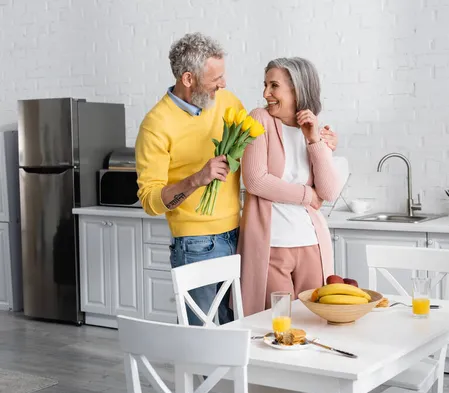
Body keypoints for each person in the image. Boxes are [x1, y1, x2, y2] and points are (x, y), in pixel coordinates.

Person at [135, 33, 338, 325]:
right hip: (196, 243)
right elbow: (151, 202)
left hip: (240, 234)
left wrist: (322, 142)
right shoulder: (156, 125)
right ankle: (205, 373)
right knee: (202, 332)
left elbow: (263, 143)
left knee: (240, 328)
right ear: (189, 79)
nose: (224, 83)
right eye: (216, 78)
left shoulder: (227, 101)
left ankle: (237, 374)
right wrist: (196, 179)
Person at [238, 57, 342, 316]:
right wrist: (308, 194)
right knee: (276, 325)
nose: (266, 93)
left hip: (312, 245)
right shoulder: (259, 119)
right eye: (265, 85)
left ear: (297, 89)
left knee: (316, 323)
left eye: (274, 86)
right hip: (271, 246)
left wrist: (314, 140)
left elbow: (328, 192)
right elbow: (255, 180)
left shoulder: (314, 127)